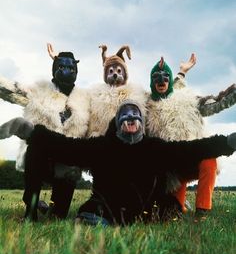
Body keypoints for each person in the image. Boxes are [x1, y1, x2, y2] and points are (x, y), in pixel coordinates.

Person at [1, 100, 235, 225]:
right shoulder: (102, 147)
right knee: (89, 221)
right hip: (104, 211)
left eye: (135, 114)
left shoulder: (154, 148)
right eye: (125, 114)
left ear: (141, 123)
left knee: (169, 213)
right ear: (117, 122)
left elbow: (192, 149)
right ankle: (34, 211)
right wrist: (28, 131)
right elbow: (65, 146)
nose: (130, 118)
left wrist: (227, 142)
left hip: (144, 210)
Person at [0, 44, 90, 218]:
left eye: (71, 67)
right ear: (55, 69)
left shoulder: (84, 98)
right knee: (37, 141)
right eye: (62, 67)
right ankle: (31, 208)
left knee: (58, 215)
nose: (67, 71)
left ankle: (51, 207)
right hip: (42, 156)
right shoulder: (40, 90)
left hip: (68, 161)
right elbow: (12, 89)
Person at [146, 55, 236, 215]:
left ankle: (203, 210)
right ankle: (179, 205)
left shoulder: (185, 100)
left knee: (209, 161)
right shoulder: (146, 106)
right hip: (170, 169)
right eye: (157, 78)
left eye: (166, 77)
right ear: (152, 82)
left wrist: (233, 94)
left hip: (192, 155)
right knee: (174, 212)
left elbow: (213, 103)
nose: (161, 82)